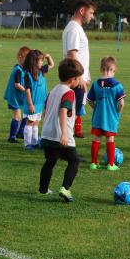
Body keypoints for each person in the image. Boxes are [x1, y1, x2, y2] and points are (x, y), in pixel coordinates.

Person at [39, 58, 84, 202]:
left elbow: (45, 110)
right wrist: (64, 133)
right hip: (60, 135)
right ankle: (65, 188)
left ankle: (43, 189)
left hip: (47, 134)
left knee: (50, 161)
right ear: (73, 79)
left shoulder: (53, 91)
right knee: (74, 161)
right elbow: (63, 111)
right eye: (78, 78)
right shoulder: (69, 93)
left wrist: (46, 127)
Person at [62, 0, 96, 139]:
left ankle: (67, 145)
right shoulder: (74, 29)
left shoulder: (75, 28)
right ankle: (66, 146)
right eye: (91, 12)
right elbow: (72, 54)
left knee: (73, 114)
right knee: (71, 114)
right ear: (82, 11)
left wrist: (86, 73)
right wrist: (80, 77)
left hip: (77, 78)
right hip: (75, 79)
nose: (92, 16)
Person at [87, 56, 126, 171]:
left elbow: (89, 100)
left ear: (101, 69)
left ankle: (93, 163)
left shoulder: (95, 84)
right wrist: (117, 112)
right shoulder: (117, 85)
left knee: (96, 139)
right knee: (110, 140)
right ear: (114, 70)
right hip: (111, 118)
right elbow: (122, 104)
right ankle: (110, 164)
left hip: (98, 117)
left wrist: (96, 108)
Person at [22, 49, 54, 150]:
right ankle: (27, 144)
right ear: (34, 61)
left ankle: (35, 142)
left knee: (36, 122)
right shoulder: (28, 74)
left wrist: (48, 57)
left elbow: (51, 64)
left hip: (40, 103)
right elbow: (27, 91)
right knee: (30, 122)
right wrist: (30, 104)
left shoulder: (41, 71)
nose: (42, 62)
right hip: (33, 103)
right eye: (40, 60)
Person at [3, 46, 30, 142]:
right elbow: (17, 85)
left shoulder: (22, 69)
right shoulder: (18, 70)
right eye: (26, 59)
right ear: (20, 57)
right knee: (17, 116)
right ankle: (12, 137)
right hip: (14, 97)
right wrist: (26, 91)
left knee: (27, 113)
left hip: (18, 96)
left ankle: (21, 132)